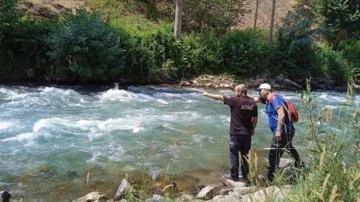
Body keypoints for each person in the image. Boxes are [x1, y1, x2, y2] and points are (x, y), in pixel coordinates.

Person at [203, 84, 258, 182]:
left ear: (240, 91)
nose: (235, 93)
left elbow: (220, 97)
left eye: (236, 91)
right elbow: (255, 118)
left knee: (234, 154)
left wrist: (206, 94)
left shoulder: (235, 100)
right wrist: (253, 129)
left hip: (236, 133)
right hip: (247, 134)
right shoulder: (252, 103)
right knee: (245, 155)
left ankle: (235, 176)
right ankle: (245, 176)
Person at [254, 83, 304, 182]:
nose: (259, 93)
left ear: (266, 90)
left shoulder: (275, 98)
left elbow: (281, 114)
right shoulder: (269, 100)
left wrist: (278, 131)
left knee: (273, 152)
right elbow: (256, 99)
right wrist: (241, 98)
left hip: (283, 131)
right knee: (288, 147)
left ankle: (270, 177)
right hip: (288, 131)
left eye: (260, 90)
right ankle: (299, 163)